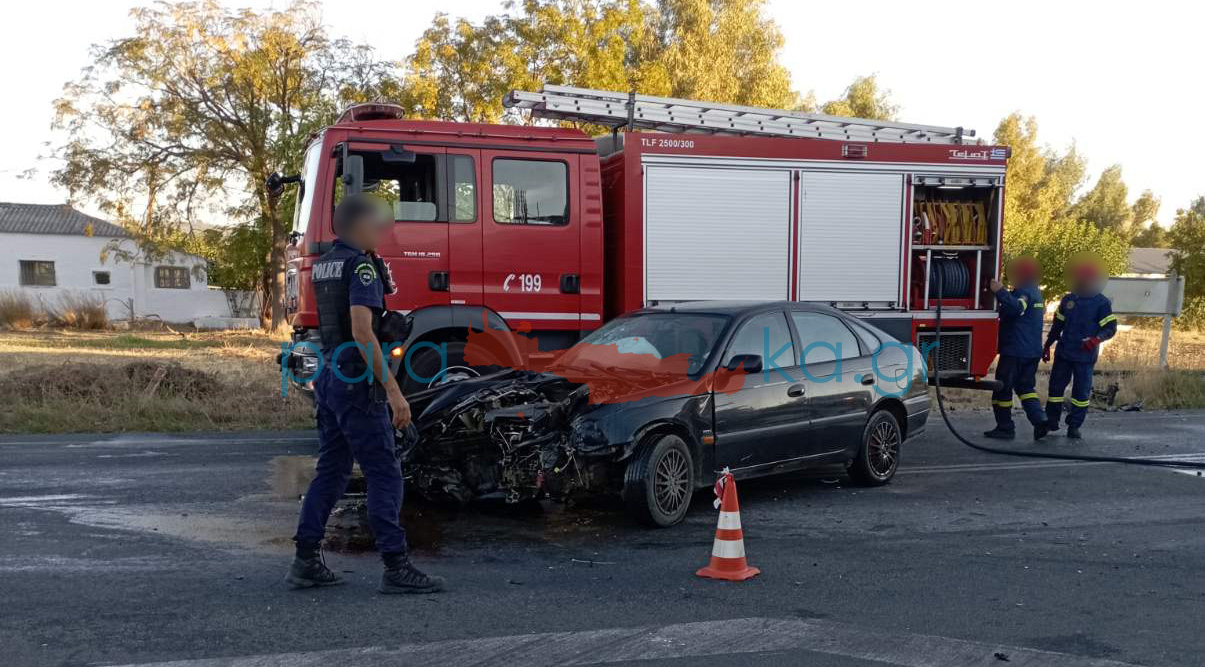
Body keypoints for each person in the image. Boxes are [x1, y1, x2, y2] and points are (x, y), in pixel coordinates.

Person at [286, 193, 445, 594]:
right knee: (385, 474)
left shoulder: (325, 265)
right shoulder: (361, 267)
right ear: (358, 226)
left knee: (333, 470)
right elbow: (361, 332)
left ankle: (305, 560)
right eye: (376, 225)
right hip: (358, 382)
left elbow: (335, 324)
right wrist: (394, 391)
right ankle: (396, 567)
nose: (382, 232)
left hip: (329, 377)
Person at [1042, 258, 1118, 440]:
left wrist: (1096, 339)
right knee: (1055, 390)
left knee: (1081, 393)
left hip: (1084, 356)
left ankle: (1074, 425)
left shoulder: (1101, 303)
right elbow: (1057, 325)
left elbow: (1110, 328)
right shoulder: (1068, 300)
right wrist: (1047, 345)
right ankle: (1051, 422)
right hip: (1064, 353)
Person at [984, 257, 1048, 440]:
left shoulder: (1024, 293)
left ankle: (1005, 427)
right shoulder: (1036, 293)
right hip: (1031, 352)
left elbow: (1016, 308)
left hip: (1015, 352)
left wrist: (1000, 291)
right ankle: (1039, 419)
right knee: (1026, 388)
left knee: (1002, 389)